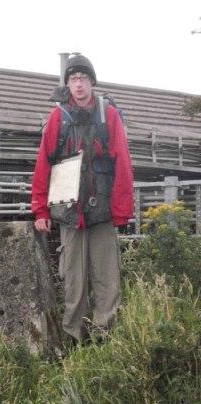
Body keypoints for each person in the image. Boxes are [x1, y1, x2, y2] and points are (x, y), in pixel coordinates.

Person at [31, 54, 134, 344]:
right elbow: (43, 165)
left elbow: (123, 163)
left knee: (107, 280)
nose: (78, 84)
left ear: (92, 82)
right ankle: (73, 339)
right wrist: (40, 210)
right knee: (73, 280)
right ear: (68, 84)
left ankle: (105, 339)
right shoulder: (57, 117)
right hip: (68, 211)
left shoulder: (108, 115)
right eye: (73, 79)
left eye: (83, 78)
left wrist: (121, 210)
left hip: (102, 210)